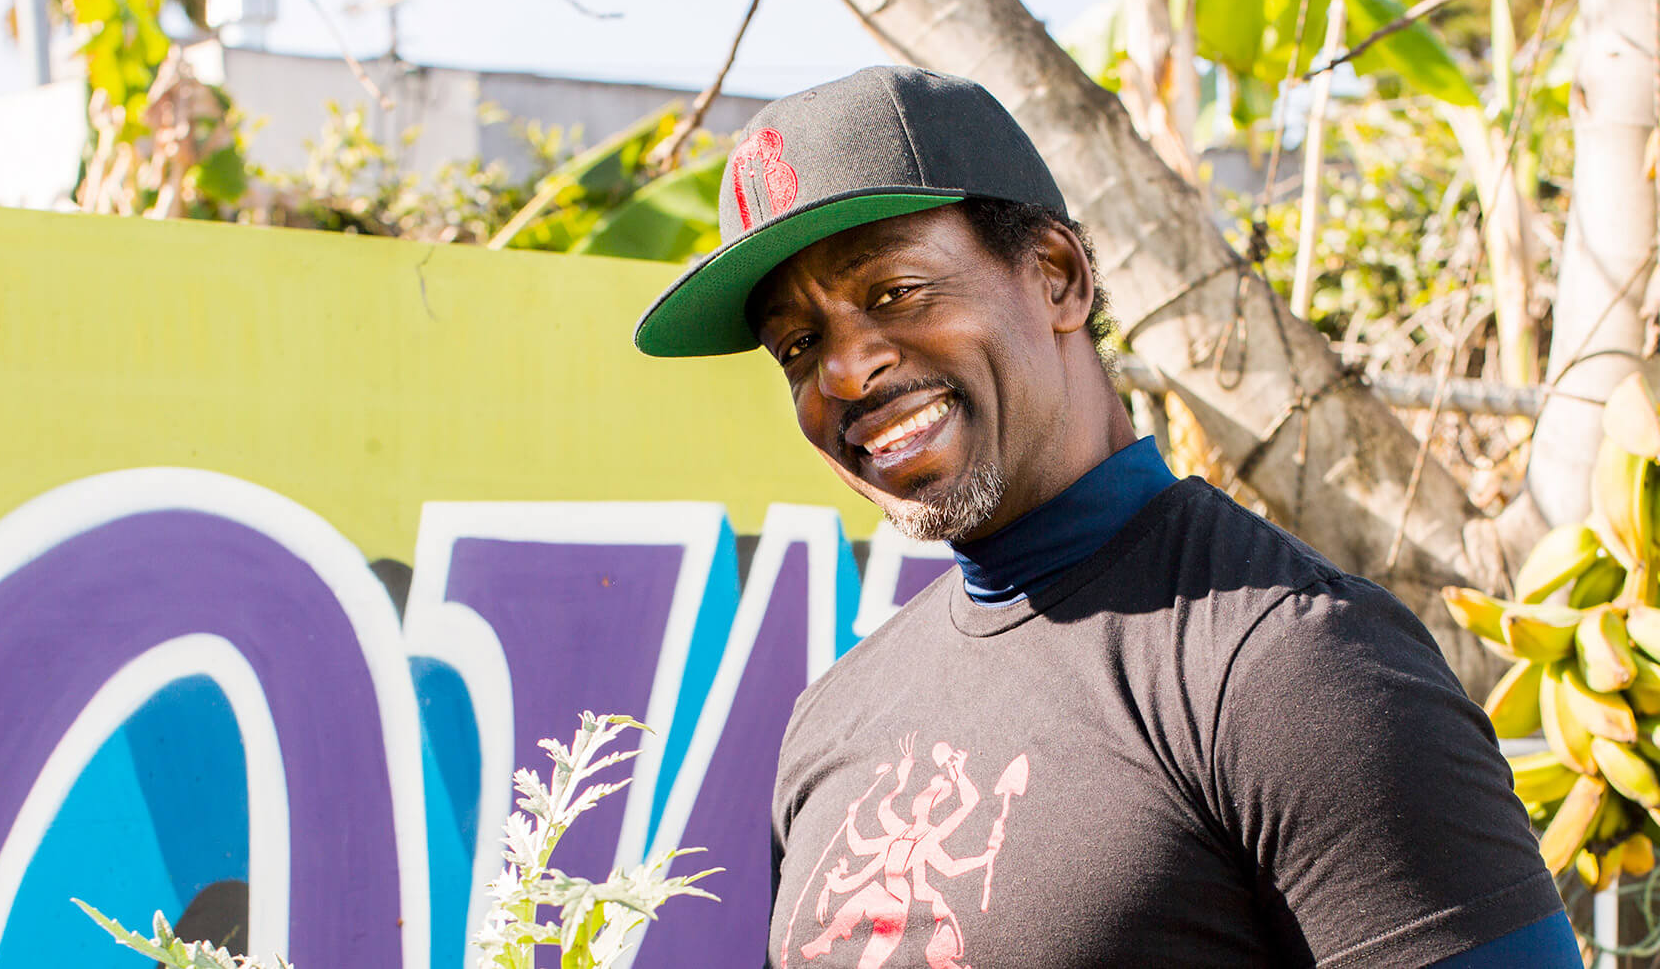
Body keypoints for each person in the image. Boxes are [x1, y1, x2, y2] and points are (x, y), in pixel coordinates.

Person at [632, 66, 1578, 968]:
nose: (843, 372)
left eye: (894, 292)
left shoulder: (1293, 668)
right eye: (798, 345)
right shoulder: (832, 719)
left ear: (1057, 276)